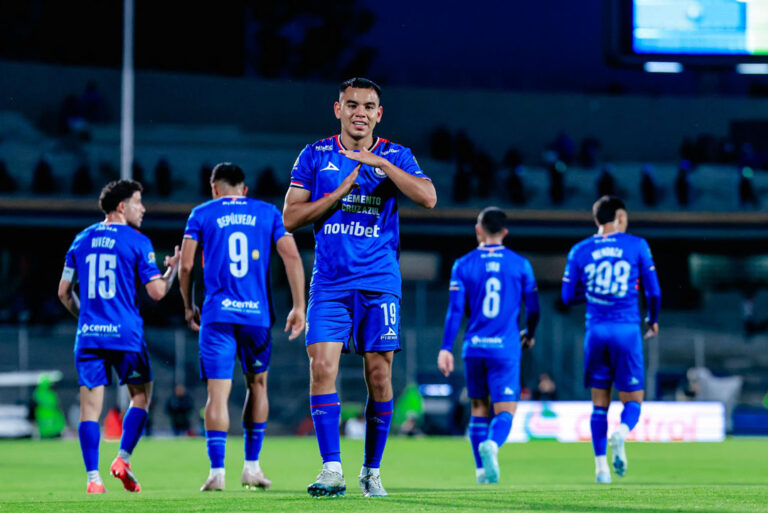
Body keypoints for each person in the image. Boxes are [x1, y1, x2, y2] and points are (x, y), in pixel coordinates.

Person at [283, 77, 436, 498]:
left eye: (368, 106)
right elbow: (291, 218)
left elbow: (428, 197)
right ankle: (332, 467)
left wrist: (384, 167)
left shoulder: (396, 155)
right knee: (322, 367)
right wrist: (338, 191)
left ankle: (371, 469)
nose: (359, 112)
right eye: (351, 104)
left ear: (379, 114)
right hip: (330, 282)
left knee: (380, 376)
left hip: (379, 282)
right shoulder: (315, 155)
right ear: (338, 109)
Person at [179, 163, 305, 492]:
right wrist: (298, 305)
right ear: (244, 189)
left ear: (214, 188)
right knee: (257, 386)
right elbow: (291, 257)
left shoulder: (202, 213)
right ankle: (252, 467)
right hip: (256, 317)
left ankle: (217, 472)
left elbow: (188, 264)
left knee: (217, 395)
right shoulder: (267, 212)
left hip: (217, 316)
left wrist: (188, 304)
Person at [57, 179, 180, 494]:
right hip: (125, 335)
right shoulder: (138, 241)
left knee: (89, 409)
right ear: (122, 206)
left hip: (89, 336)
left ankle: (93, 479)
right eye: (139, 201)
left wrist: (86, 317)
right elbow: (156, 292)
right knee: (141, 397)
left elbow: (63, 293)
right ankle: (122, 460)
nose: (144, 208)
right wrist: (173, 270)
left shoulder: (80, 240)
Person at [561, 196, 661, 484]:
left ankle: (600, 468)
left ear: (596, 220)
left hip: (596, 331)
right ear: (618, 217)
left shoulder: (579, 250)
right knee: (633, 401)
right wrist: (652, 319)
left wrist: (593, 294)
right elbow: (653, 292)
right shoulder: (636, 245)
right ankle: (622, 432)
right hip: (626, 329)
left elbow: (567, 297)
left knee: (599, 404)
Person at [437, 207, 540, 485]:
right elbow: (534, 308)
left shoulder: (463, 264)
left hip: (475, 348)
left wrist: (446, 347)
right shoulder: (520, 264)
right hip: (504, 349)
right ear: (505, 232)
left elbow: (455, 311)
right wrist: (529, 333)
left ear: (478, 230)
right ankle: (493, 445)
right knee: (505, 410)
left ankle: (481, 472)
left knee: (479, 409)